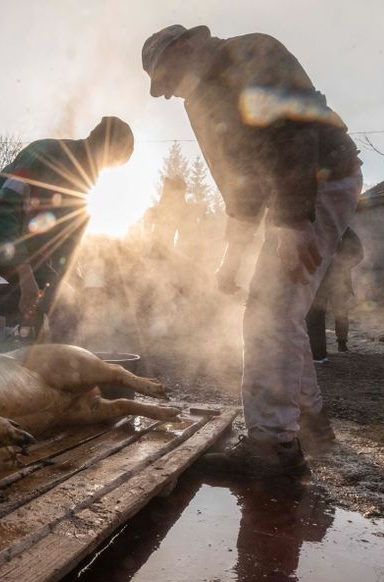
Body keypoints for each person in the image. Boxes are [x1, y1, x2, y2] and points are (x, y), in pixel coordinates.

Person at [142, 25, 362, 474]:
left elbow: (293, 132)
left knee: (269, 311)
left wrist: (294, 219)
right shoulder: (201, 99)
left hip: (321, 180)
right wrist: (231, 257)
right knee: (284, 312)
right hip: (300, 193)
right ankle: (311, 423)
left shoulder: (251, 53)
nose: (168, 94)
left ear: (187, 46)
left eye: (167, 78)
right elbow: (239, 187)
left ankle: (272, 449)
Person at [0, 117, 135, 354]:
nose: (105, 168)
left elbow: (68, 246)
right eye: (111, 161)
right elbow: (1, 211)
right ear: (101, 145)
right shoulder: (46, 154)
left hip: (17, 243)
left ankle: (65, 373)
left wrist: (72, 289)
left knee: (66, 307)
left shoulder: (86, 187)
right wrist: (26, 275)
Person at [306, 227, 364, 361]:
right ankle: (317, 350)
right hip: (320, 278)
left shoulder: (346, 230)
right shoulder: (318, 225)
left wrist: (343, 264)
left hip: (339, 279)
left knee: (340, 311)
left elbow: (359, 254)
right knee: (316, 313)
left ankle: (341, 343)